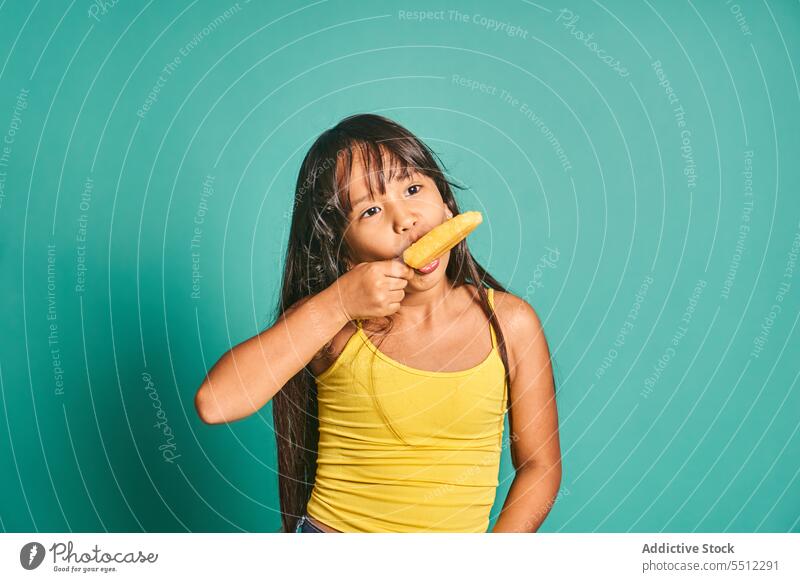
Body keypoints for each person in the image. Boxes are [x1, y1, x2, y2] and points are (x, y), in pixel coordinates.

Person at [194, 113, 562, 533]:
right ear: (343, 248)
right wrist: (336, 303)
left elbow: (540, 466)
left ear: (446, 202)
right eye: (370, 210)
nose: (404, 219)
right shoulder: (333, 324)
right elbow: (216, 403)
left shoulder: (509, 324)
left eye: (412, 188)